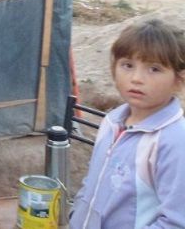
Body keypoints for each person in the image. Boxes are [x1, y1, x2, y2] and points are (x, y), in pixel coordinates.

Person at [69, 19, 185, 228]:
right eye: (127, 65)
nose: (136, 78)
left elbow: (176, 222)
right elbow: (92, 184)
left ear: (179, 79)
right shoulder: (112, 121)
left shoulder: (174, 142)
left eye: (154, 69)